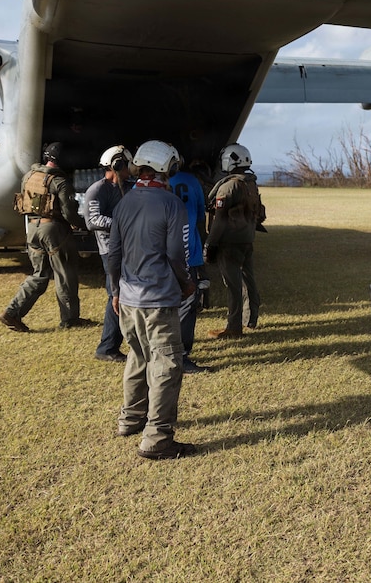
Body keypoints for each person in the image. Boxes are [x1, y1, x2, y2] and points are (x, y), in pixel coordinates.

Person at [107, 140, 198, 460]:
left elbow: (113, 254)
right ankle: (157, 438)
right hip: (158, 299)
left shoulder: (124, 203)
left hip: (128, 300)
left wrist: (115, 292)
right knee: (167, 365)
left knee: (137, 356)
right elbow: (177, 254)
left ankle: (130, 419)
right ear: (167, 168)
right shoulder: (171, 204)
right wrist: (187, 283)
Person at [0, 141, 94, 332]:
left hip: (32, 228)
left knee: (39, 275)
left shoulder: (29, 176)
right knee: (65, 274)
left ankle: (12, 312)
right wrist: (83, 224)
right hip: (53, 230)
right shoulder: (60, 182)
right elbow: (69, 213)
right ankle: (70, 319)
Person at [204, 143, 265, 340]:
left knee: (233, 284)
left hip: (230, 242)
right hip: (247, 238)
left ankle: (233, 326)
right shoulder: (250, 182)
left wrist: (211, 243)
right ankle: (251, 319)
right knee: (248, 279)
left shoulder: (230, 185)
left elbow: (220, 219)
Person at [85, 144, 133, 362]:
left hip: (127, 247)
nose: (129, 169)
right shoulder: (97, 190)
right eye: (126, 164)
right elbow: (92, 220)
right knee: (115, 295)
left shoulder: (126, 187)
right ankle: (107, 347)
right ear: (117, 164)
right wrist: (121, 224)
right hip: (110, 250)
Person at [169, 160, 210, 373]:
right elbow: (201, 217)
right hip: (190, 251)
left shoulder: (154, 184)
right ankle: (182, 354)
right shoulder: (192, 181)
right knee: (187, 303)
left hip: (162, 254)